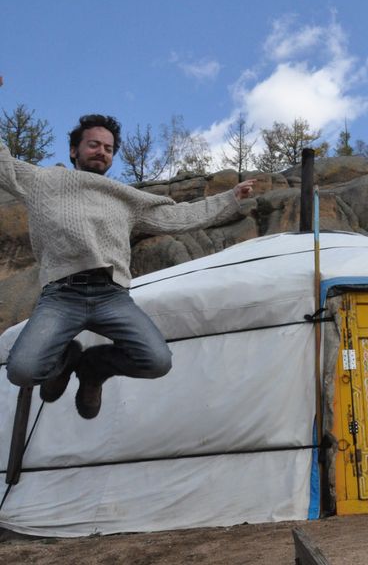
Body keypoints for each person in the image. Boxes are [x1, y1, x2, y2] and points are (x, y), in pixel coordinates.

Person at [2, 114, 255, 419]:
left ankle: (94, 367)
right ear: (74, 151)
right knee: (22, 371)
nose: (102, 152)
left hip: (111, 295)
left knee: (157, 361)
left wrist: (230, 198)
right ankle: (65, 359)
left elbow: (177, 217)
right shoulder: (43, 181)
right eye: (94, 144)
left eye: (108, 148)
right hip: (61, 294)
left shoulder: (125, 198)